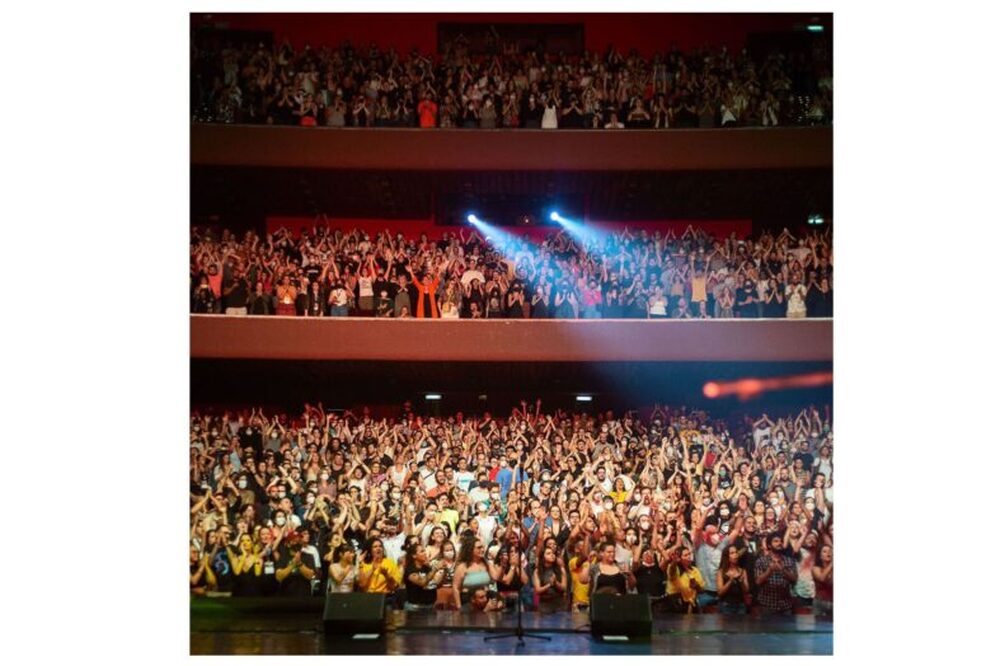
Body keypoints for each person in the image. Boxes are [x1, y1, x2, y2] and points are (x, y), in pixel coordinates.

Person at [754, 533, 798, 615]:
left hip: (785, 605)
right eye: (776, 541)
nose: (779, 543)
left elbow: (794, 579)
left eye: (781, 541)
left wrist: (783, 569)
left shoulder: (789, 560)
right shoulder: (761, 561)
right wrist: (770, 570)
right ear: (769, 545)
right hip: (767, 605)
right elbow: (757, 581)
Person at [452, 537, 493, 609]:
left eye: (482, 547)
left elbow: (495, 579)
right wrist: (459, 607)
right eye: (479, 548)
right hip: (468, 604)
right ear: (470, 550)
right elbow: (455, 588)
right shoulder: (462, 567)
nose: (482, 550)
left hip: (485, 601)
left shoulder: (486, 564)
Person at [716, 544, 750, 614]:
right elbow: (720, 593)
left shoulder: (742, 571)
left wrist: (741, 582)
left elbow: (746, 590)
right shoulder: (721, 572)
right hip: (726, 605)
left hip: (740, 605)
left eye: (736, 552)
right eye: (732, 553)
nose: (735, 555)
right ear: (727, 556)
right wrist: (730, 581)